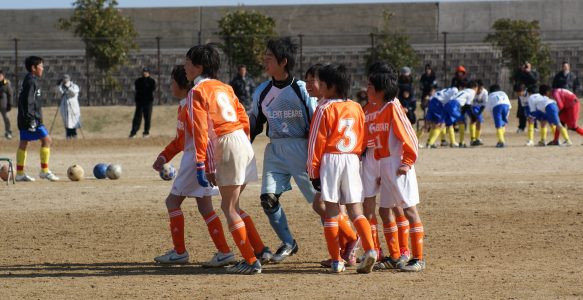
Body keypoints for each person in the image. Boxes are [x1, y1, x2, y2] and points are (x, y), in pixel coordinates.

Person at [187, 44, 268, 275]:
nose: (185, 67)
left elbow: (201, 131)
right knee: (234, 205)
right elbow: (243, 117)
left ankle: (251, 261)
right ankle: (259, 250)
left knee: (228, 206)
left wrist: (202, 163)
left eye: (187, 62)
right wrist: (243, 144)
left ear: (199, 66)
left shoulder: (197, 91)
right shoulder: (225, 87)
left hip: (225, 143)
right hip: (241, 141)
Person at [151, 65, 236, 267]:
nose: (169, 85)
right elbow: (181, 140)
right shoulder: (184, 106)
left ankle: (180, 252)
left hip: (195, 160)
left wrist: (203, 164)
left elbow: (201, 136)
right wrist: (164, 156)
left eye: (172, 82)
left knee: (172, 202)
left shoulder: (189, 106)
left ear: (182, 85)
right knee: (205, 207)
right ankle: (224, 252)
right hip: (201, 159)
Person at [249, 37, 318, 263]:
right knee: (268, 199)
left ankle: (349, 241)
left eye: (269, 57)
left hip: (302, 147)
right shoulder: (262, 91)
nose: (264, 60)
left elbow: (317, 122)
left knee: (321, 203)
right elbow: (255, 124)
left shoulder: (301, 90)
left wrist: (317, 155)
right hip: (276, 150)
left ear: (283, 62)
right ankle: (289, 243)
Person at [306, 64, 377, 274]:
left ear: (329, 86)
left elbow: (315, 142)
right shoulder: (356, 107)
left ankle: (337, 260)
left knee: (331, 211)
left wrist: (313, 171)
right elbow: (364, 138)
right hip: (352, 159)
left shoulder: (324, 108)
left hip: (331, 159)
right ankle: (370, 249)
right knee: (356, 210)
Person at [367, 61, 425, 272]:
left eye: (370, 87)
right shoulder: (381, 109)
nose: (367, 90)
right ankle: (394, 255)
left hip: (398, 164)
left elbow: (409, 136)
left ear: (381, 90)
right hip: (385, 165)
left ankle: (418, 258)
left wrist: (407, 162)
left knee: (409, 210)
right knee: (384, 210)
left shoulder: (393, 107)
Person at [15, 56, 59, 182]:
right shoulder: (31, 81)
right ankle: (44, 171)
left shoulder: (30, 79)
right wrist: (31, 120)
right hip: (31, 118)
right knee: (47, 140)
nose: (43, 68)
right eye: (41, 66)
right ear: (33, 68)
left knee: (24, 142)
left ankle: (19, 173)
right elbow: (27, 102)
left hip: (26, 117)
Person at [444, 80, 478, 148]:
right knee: (462, 122)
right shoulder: (472, 92)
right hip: (455, 105)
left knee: (449, 124)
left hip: (447, 104)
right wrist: (472, 116)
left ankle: (452, 142)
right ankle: (461, 142)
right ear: (474, 87)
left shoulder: (463, 90)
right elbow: (468, 106)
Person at [130, 67, 156, 138]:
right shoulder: (138, 81)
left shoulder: (151, 81)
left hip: (148, 102)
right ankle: (133, 132)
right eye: (144, 71)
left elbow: (152, 89)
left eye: (146, 71)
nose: (145, 73)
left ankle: (146, 132)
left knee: (147, 117)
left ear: (149, 73)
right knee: (137, 117)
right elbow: (137, 88)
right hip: (140, 101)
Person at [514, 62, 538, 133]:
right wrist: (520, 70)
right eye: (525, 66)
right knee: (521, 110)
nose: (526, 67)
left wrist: (529, 72)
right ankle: (521, 127)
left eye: (527, 66)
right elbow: (516, 79)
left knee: (533, 110)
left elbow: (534, 80)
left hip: (532, 93)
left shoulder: (534, 72)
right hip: (521, 92)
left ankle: (535, 126)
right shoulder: (520, 73)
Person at [57, 74, 81, 139]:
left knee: (73, 122)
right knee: (66, 122)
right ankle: (68, 136)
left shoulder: (74, 86)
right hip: (65, 107)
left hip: (73, 106)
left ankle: (74, 135)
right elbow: (59, 93)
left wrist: (68, 87)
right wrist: (59, 86)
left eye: (66, 79)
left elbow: (73, 93)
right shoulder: (62, 87)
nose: (65, 80)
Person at [469, 80, 487, 146]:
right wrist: (472, 115)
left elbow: (484, 105)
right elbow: (468, 104)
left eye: (482, 88)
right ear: (476, 87)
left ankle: (477, 138)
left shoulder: (485, 92)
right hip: (471, 107)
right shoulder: (471, 92)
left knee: (479, 121)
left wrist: (479, 113)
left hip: (479, 108)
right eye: (479, 88)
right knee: (473, 121)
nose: (480, 90)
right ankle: (472, 139)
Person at [0, 70, 13, 140]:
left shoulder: (6, 83)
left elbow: (10, 94)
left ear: (3, 76)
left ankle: (8, 132)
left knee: (6, 118)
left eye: (0, 75)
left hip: (3, 105)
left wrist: (10, 104)